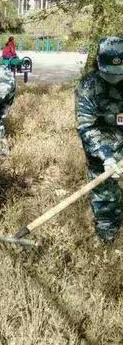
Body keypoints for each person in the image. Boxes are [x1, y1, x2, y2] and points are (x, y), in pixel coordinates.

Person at [75, 36, 123, 243]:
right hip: (101, 144)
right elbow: (86, 126)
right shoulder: (88, 87)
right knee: (105, 197)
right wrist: (107, 157)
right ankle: (107, 239)